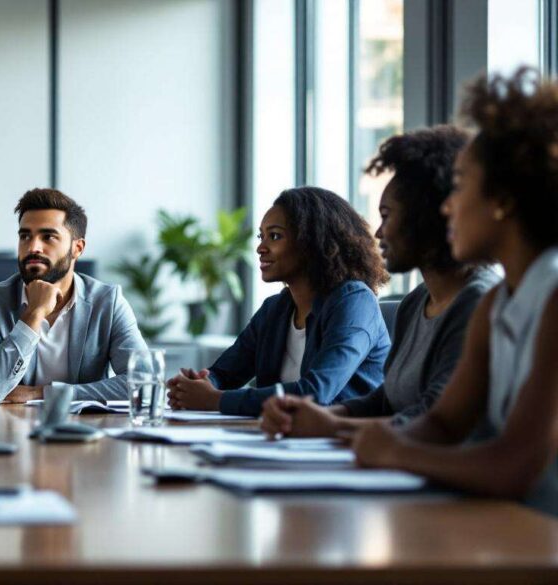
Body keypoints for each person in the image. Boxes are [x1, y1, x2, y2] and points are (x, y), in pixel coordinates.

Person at [350, 68, 558, 515]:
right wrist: (374, 439)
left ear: (502, 199)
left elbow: (516, 464)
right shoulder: (499, 304)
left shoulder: (553, 297)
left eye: (461, 185)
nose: (447, 205)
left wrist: (396, 452)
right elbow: (444, 423)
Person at [260, 127, 499, 437]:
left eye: (387, 216)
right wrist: (318, 416)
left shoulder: (477, 301)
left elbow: (436, 418)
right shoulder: (416, 303)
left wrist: (333, 425)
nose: (377, 233)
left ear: (426, 218)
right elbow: (386, 400)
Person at [167, 187, 391, 417]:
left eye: (274, 236)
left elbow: (315, 393)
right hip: (283, 441)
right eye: (260, 236)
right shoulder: (274, 309)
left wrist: (215, 399)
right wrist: (200, 384)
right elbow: (225, 374)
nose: (260, 248)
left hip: (345, 443)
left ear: (311, 241)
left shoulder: (354, 301)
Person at [0, 188, 148, 405]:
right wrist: (33, 314)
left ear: (77, 248)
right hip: (12, 429)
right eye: (25, 236)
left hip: (86, 432)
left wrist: (42, 393)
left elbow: (144, 384)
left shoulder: (108, 301)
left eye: (48, 237)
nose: (33, 247)